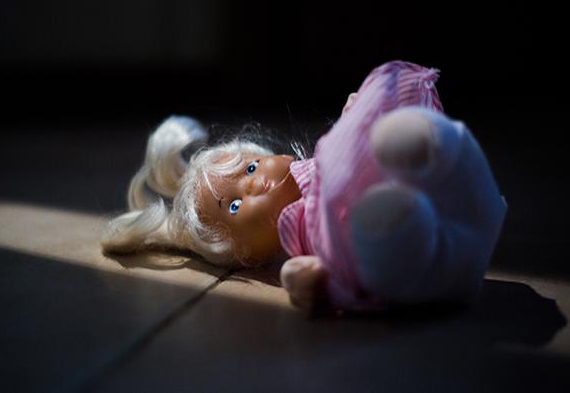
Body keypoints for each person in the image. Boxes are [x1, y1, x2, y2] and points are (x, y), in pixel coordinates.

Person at [101, 60, 507, 312]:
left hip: (453, 198)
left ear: (276, 155)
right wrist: (319, 285)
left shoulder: (327, 158)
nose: (253, 184)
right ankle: (404, 224)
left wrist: (356, 122)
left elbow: (351, 154)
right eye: (235, 207)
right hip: (421, 257)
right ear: (246, 255)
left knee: (396, 124)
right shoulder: (308, 237)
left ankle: (430, 152)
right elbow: (328, 273)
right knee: (377, 235)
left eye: (251, 167)